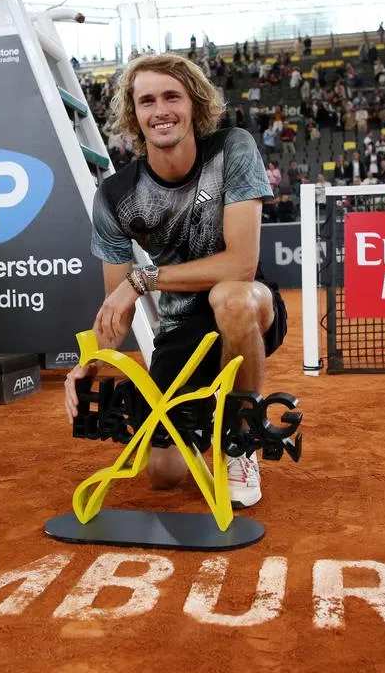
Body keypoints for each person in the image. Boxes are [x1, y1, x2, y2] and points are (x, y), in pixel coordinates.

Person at [63, 53, 288, 508]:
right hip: (181, 330)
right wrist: (91, 359)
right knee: (163, 476)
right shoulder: (113, 197)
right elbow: (116, 306)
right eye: (147, 100)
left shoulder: (233, 148)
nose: (160, 110)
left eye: (172, 97)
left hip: (249, 304)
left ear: (194, 104)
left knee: (232, 298)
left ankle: (238, 440)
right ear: (134, 114)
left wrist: (143, 278)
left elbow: (241, 264)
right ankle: (202, 416)